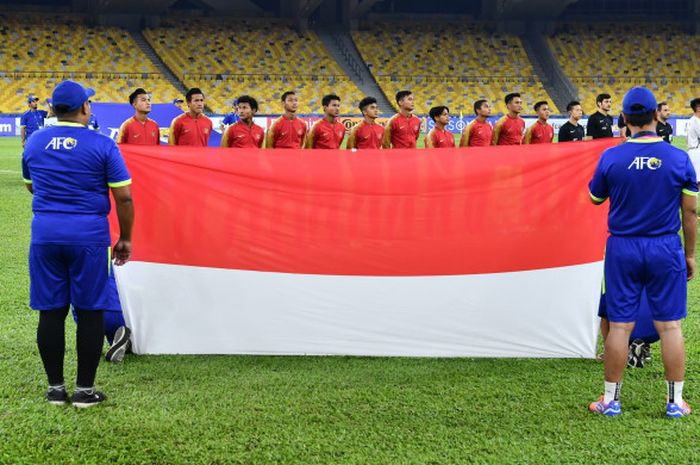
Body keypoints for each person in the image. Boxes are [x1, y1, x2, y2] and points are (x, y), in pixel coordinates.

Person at [21, 80, 134, 407]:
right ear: (85, 108)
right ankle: (85, 391)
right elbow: (123, 198)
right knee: (89, 310)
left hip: (45, 235)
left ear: (53, 109)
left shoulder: (35, 143)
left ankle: (56, 389)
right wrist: (125, 238)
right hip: (88, 236)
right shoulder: (102, 144)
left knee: (51, 311)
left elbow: (31, 186)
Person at [588, 86, 696, 418]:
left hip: (623, 246)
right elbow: (690, 214)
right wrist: (690, 255)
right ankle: (675, 403)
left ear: (623, 118)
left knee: (620, 326)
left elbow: (594, 198)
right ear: (656, 116)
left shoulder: (611, 157)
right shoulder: (679, 157)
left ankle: (610, 401)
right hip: (665, 246)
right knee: (670, 326)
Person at [686, 98, 700, 177]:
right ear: (698, 108)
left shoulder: (692, 120)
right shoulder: (695, 122)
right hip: (696, 152)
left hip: (694, 151)